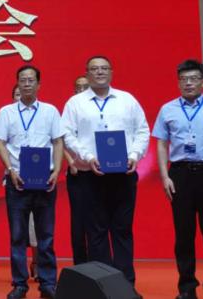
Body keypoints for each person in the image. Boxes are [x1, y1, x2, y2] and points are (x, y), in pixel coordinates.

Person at [63, 55, 149, 288]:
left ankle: (126, 286)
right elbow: (67, 135)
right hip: (91, 176)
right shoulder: (75, 103)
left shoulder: (127, 100)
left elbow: (142, 131)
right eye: (94, 69)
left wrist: (134, 156)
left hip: (124, 175)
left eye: (104, 68)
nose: (99, 72)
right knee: (96, 233)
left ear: (111, 72)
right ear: (87, 73)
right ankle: (104, 287)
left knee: (122, 230)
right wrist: (88, 157)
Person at [154, 59, 203, 299]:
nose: (188, 83)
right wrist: (165, 176)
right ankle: (187, 288)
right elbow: (161, 144)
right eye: (183, 79)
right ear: (178, 83)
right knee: (183, 235)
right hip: (180, 175)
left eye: (193, 79)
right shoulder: (167, 109)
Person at [0, 65, 64, 299]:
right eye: (22, 80)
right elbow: (0, 142)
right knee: (17, 236)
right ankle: (20, 284)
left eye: (31, 80)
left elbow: (58, 142)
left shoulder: (50, 111)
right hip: (17, 181)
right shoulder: (6, 112)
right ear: (17, 83)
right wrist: (10, 170)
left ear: (38, 84)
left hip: (45, 181)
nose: (26, 84)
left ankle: (48, 283)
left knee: (46, 235)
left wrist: (57, 171)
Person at [64, 74, 90, 266]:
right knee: (78, 221)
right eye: (78, 87)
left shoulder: (98, 108)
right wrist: (71, 162)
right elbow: (62, 139)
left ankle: (101, 264)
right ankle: (80, 264)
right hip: (77, 173)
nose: (81, 90)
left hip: (99, 171)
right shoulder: (70, 108)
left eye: (85, 87)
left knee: (98, 221)